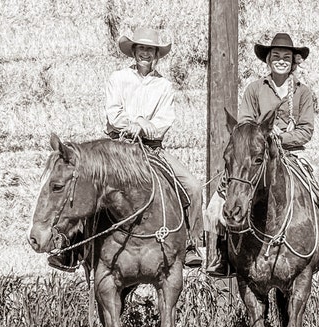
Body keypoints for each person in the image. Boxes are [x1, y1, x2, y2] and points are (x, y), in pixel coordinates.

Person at [47, 27, 203, 271]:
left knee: (193, 187)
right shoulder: (118, 78)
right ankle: (71, 247)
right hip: (117, 147)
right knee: (86, 184)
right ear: (133, 51)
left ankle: (191, 243)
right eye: (141, 48)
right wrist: (133, 123)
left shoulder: (164, 86)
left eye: (150, 49)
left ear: (156, 54)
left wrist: (146, 128)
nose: (145, 53)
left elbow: (164, 121)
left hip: (150, 149)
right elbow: (114, 112)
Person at [204, 32, 319, 277]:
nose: (281, 61)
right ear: (268, 60)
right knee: (222, 194)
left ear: (294, 61)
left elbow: (305, 131)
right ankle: (223, 254)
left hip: (292, 153)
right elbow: (244, 125)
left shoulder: (303, 92)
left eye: (286, 57)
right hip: (258, 154)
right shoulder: (255, 89)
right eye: (276, 56)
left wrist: (280, 138)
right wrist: (262, 137)